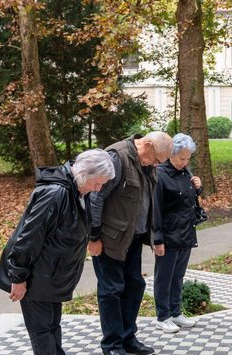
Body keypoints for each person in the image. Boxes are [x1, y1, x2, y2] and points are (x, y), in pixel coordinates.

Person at [0, 149, 115, 355]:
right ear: (84, 173)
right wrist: (18, 277)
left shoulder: (76, 191)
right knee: (42, 331)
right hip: (36, 276)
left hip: (51, 276)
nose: (98, 188)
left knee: (52, 326)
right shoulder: (55, 193)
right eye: (97, 183)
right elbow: (28, 237)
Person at [89, 132, 173, 355]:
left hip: (133, 239)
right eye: (156, 160)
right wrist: (93, 237)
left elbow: (149, 202)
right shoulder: (116, 158)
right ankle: (112, 345)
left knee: (135, 285)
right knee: (111, 290)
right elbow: (95, 197)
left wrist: (155, 236)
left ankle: (128, 338)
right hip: (110, 240)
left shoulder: (147, 163)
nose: (156, 165)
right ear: (146, 145)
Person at [152, 133, 202, 333]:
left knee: (178, 276)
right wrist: (157, 239)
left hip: (186, 232)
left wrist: (197, 189)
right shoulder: (160, 175)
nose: (185, 162)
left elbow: (186, 200)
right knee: (164, 277)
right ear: (171, 155)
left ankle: (176, 312)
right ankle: (162, 316)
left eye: (188, 158)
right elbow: (155, 210)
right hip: (168, 235)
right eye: (182, 158)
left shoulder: (185, 172)